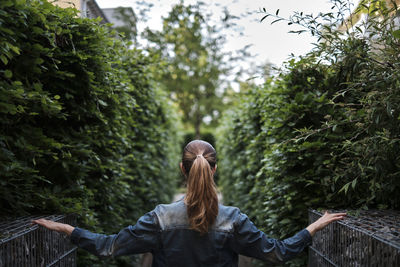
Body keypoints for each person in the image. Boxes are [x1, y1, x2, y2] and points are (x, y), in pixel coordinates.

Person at [32, 140, 346, 266]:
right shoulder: (233, 219)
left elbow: (108, 247)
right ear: (215, 169)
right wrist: (314, 226)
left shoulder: (159, 218)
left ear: (182, 169)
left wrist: (65, 228)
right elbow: (277, 253)